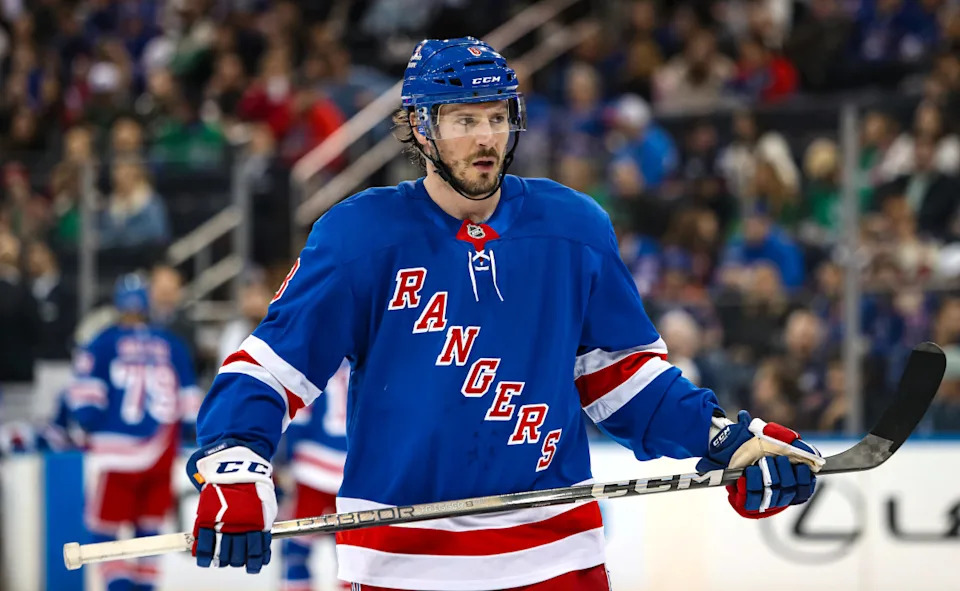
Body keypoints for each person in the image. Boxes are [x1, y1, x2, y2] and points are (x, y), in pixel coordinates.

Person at [188, 37, 822, 590]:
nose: (486, 137)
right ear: (420, 128)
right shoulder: (359, 237)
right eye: (464, 119)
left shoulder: (573, 228)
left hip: (556, 556)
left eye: (497, 117)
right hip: (402, 564)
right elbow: (270, 369)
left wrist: (726, 439)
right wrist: (235, 465)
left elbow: (626, 382)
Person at [68, 274, 200, 591]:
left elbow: (85, 403)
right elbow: (190, 405)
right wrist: (188, 437)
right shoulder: (172, 344)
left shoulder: (102, 342)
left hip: (115, 453)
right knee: (149, 534)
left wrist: (87, 427)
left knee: (104, 533)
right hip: (160, 452)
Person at [280, 360, 351, 591]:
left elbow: (298, 418)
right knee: (353, 555)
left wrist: (286, 460)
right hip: (354, 471)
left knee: (296, 549)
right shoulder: (372, 357)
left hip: (313, 469)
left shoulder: (319, 357)